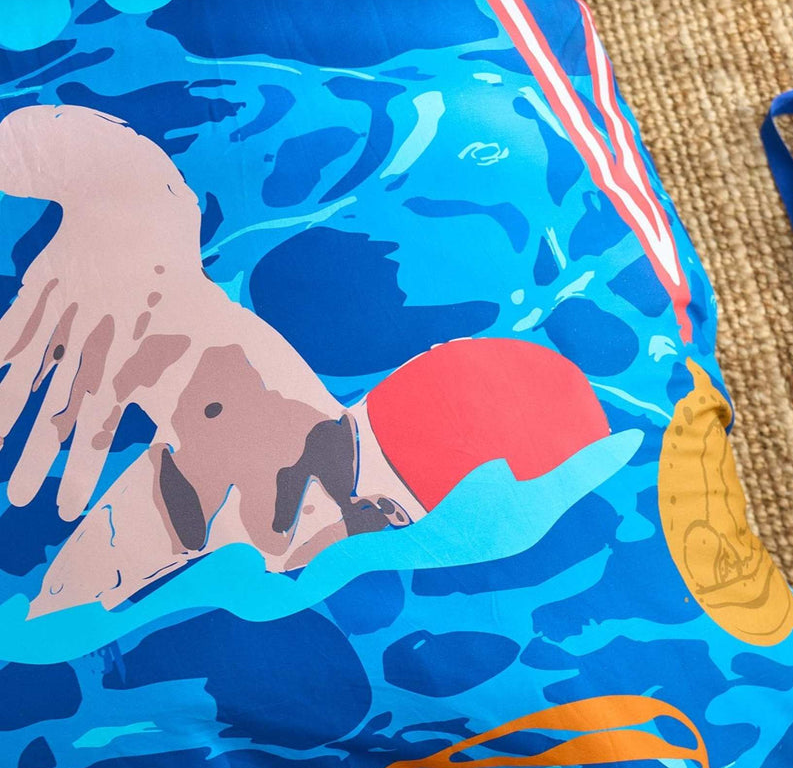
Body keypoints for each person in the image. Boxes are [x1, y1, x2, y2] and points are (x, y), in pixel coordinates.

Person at [0, 104, 609, 617]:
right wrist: (130, 206)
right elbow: (100, 175)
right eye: (331, 458)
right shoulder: (237, 385)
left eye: (378, 520)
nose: (307, 521)